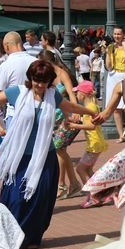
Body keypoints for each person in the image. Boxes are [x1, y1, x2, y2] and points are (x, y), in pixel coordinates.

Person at [0, 60, 97, 249]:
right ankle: (10, 236)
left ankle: (30, 238)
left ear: (50, 81)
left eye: (44, 81)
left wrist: (91, 112)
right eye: (36, 80)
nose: (39, 85)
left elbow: (71, 108)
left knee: (40, 200)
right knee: (16, 199)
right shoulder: (17, 92)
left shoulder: (53, 96)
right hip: (19, 156)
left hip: (44, 157)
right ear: (30, 79)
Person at [37, 49, 81, 200]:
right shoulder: (45, 75)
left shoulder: (62, 73)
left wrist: (76, 111)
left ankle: (61, 185)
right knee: (61, 150)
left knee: (58, 149)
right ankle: (74, 184)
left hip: (65, 117)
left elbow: (71, 93)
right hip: (51, 117)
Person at [64, 81, 106, 204]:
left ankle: (91, 195)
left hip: (94, 144)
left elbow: (90, 126)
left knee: (80, 169)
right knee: (87, 170)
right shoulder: (91, 106)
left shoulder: (90, 108)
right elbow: (86, 121)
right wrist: (75, 120)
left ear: (83, 94)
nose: (76, 95)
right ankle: (100, 192)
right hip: (95, 143)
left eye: (77, 93)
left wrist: (73, 125)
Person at [0, 32, 37, 129]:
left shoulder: (5, 66)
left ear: (6, 46)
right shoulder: (35, 61)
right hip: (36, 112)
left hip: (15, 115)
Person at [104, 26, 125, 142]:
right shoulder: (111, 47)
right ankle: (121, 135)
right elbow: (108, 66)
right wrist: (107, 52)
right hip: (114, 76)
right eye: (115, 34)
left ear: (124, 35)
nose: (116, 36)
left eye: (119, 34)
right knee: (116, 108)